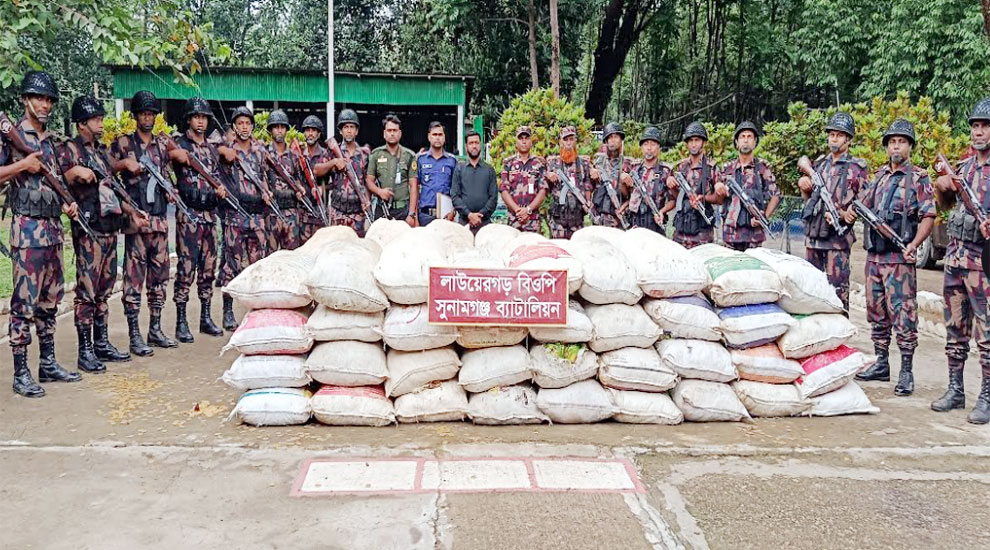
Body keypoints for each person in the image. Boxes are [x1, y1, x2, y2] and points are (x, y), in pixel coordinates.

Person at [2, 71, 83, 397]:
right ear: (25, 99)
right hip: (27, 231)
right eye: (38, 98)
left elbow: (55, 182)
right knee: (24, 304)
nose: (44, 104)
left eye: (49, 99)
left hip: (52, 230)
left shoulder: (51, 142)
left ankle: (47, 363)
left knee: (51, 300)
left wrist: (68, 203)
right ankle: (21, 372)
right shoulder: (11, 137)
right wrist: (22, 166)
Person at [58, 96, 143, 373]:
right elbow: (62, 178)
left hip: (108, 230)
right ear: (82, 123)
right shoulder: (70, 149)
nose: (100, 123)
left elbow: (112, 184)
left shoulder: (101, 152)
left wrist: (132, 212)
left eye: (101, 119)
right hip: (88, 231)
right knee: (87, 291)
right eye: (95, 120)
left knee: (104, 290)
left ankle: (102, 342)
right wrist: (75, 172)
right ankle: (85, 351)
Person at [854, 118, 935, 397]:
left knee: (903, 314)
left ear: (910, 146)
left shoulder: (919, 178)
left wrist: (913, 244)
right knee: (876, 312)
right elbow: (860, 205)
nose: (896, 146)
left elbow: (928, 216)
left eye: (901, 141)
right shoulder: (879, 177)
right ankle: (881, 363)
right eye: (891, 141)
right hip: (875, 257)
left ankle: (906, 370)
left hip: (899, 258)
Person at [931, 97, 990, 424]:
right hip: (954, 258)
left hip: (983, 264)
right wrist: (942, 187)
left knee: (986, 332)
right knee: (955, 327)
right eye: (975, 126)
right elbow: (945, 206)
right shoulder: (963, 168)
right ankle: (956, 388)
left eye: (984, 126)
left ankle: (987, 395)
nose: (978, 132)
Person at [110, 90, 176, 356]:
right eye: (143, 114)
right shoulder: (124, 143)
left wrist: (171, 189)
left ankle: (155, 329)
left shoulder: (162, 145)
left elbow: (168, 174)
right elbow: (106, 169)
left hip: (159, 222)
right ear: (136, 116)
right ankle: (135, 334)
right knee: (134, 281)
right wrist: (125, 164)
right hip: (137, 222)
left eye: (151, 114)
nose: (147, 118)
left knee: (159, 280)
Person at [169, 97, 227, 342]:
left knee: (208, 269)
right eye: (196, 117)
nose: (200, 121)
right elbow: (161, 159)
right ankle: (181, 321)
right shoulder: (179, 144)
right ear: (189, 119)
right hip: (189, 215)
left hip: (209, 215)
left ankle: (205, 317)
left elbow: (223, 169)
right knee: (185, 268)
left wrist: (221, 190)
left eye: (204, 117)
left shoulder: (213, 149)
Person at [797, 113, 868, 312]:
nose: (834, 138)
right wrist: (804, 187)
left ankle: (840, 339)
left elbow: (865, 201)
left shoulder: (857, 168)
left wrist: (846, 214)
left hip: (837, 240)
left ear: (848, 139)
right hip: (814, 238)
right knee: (811, 291)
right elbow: (809, 202)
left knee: (838, 294)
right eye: (832, 134)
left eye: (839, 135)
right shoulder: (819, 164)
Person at [217, 106, 273, 330]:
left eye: (247, 123)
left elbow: (263, 176)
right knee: (231, 266)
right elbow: (208, 154)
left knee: (258, 264)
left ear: (252, 126)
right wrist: (223, 150)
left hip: (257, 215)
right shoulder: (227, 150)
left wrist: (267, 191)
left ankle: (257, 311)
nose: (244, 127)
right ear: (234, 127)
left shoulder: (260, 151)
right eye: (239, 123)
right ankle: (228, 311)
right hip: (235, 215)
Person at [715, 121, 781, 251]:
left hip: (754, 235)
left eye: (749, 136)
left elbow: (775, 196)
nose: (746, 140)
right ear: (737, 142)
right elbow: (717, 191)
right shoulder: (727, 169)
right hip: (731, 234)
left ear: (755, 141)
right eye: (742, 137)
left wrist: (764, 217)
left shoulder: (762, 168)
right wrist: (718, 186)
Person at [666, 121, 720, 248]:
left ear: (704, 142)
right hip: (680, 231)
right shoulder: (680, 167)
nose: (693, 144)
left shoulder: (711, 167)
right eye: (690, 141)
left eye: (697, 140)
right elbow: (676, 198)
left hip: (702, 233)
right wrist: (671, 185)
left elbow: (719, 199)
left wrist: (703, 198)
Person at [366, 114, 418, 225]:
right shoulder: (376, 155)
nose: (392, 133)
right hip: (382, 209)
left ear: (400, 133)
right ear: (384, 134)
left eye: (395, 130)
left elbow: (413, 186)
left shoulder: (409, 155)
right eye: (389, 130)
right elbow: (369, 181)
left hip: (402, 210)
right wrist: (379, 192)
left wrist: (412, 214)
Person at [544, 126, 593, 238]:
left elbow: (587, 186)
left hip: (577, 219)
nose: (568, 142)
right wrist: (548, 175)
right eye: (565, 139)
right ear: (560, 141)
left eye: (571, 139)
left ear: (575, 141)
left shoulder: (583, 163)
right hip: (558, 220)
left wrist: (588, 202)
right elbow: (540, 179)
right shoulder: (552, 162)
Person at [623, 126, 674, 233]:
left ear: (659, 147)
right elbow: (626, 193)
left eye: (653, 144)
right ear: (641, 148)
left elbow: (673, 200)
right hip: (634, 222)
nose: (649, 148)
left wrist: (662, 211)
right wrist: (622, 177)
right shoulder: (633, 167)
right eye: (646, 144)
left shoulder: (666, 171)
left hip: (654, 223)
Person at [328, 109, 371, 236]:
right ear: (340, 131)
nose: (349, 130)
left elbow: (368, 181)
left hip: (357, 212)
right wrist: (334, 162)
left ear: (356, 131)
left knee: (356, 249)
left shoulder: (364, 154)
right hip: (338, 211)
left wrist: (367, 200)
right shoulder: (332, 153)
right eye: (345, 127)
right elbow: (320, 173)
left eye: (352, 127)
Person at [264, 109, 303, 251]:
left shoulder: (294, 156)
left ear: (286, 130)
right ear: (271, 130)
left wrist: (300, 189)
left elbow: (298, 179)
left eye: (282, 127)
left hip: (291, 213)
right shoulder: (263, 154)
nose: (279, 130)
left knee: (291, 256)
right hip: (272, 212)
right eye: (276, 127)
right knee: (271, 257)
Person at [500, 126, 547, 232]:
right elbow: (504, 190)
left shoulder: (538, 163)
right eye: (521, 138)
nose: (524, 141)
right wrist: (518, 210)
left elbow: (542, 190)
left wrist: (528, 210)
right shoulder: (508, 163)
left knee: (533, 248)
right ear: (516, 142)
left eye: (527, 138)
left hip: (533, 220)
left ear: (531, 142)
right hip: (514, 219)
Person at [451, 130, 498, 234]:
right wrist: (469, 215)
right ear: (466, 146)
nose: (474, 146)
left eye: (476, 143)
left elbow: (493, 197)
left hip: (485, 224)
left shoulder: (489, 170)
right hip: (464, 224)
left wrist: (480, 215)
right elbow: (455, 196)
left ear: (480, 145)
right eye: (471, 143)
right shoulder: (459, 169)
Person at [414, 121, 458, 226]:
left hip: (446, 216)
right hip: (425, 216)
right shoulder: (420, 160)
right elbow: (414, 189)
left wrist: (453, 211)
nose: (437, 138)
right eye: (434, 135)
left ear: (444, 137)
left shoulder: (452, 161)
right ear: (429, 137)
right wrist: (415, 217)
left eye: (440, 134)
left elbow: (457, 189)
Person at [591, 122, 632, 228]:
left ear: (621, 140)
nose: (613, 140)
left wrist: (623, 207)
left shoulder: (628, 164)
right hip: (599, 217)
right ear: (606, 141)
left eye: (616, 137)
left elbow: (635, 195)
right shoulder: (598, 162)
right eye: (610, 137)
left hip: (618, 219)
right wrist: (591, 171)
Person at [300, 115, 333, 240]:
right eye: (307, 130)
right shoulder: (298, 154)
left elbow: (336, 182)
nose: (310, 134)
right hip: (302, 212)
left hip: (320, 211)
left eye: (313, 130)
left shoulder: (326, 155)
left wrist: (323, 188)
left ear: (319, 134)